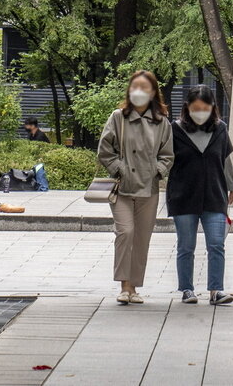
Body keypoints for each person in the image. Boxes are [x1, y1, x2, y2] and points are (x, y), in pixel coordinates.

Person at [97, 71, 173, 305]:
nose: (139, 92)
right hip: (122, 188)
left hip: (148, 189)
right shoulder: (118, 117)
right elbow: (104, 150)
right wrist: (119, 168)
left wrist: (157, 171)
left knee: (142, 237)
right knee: (125, 232)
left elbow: (168, 154)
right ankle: (123, 285)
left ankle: (134, 287)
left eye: (144, 88)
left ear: (153, 93)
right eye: (135, 87)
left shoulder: (162, 122)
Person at [166, 85, 233, 306]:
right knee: (186, 245)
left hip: (214, 194)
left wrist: (232, 185)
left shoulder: (220, 129)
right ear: (187, 107)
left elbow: (225, 160)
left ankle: (216, 290)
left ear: (212, 108)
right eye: (196, 108)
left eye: (205, 108)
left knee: (216, 243)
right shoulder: (175, 129)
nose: (200, 112)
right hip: (183, 195)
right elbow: (166, 159)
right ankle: (187, 289)